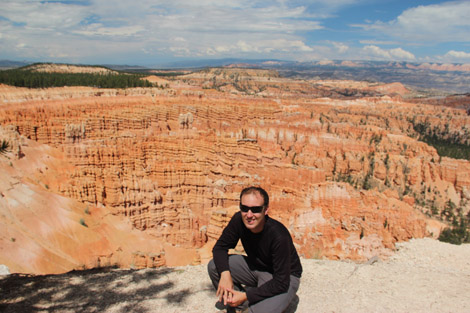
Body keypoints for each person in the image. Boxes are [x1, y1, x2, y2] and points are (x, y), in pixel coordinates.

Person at [208, 186, 302, 313]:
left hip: (285, 277)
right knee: (215, 266)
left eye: (256, 209)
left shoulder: (278, 235)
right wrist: (225, 274)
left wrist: (246, 295)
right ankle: (240, 306)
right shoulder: (238, 220)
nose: (249, 215)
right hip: (257, 268)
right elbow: (220, 248)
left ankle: (249, 301)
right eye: (244, 208)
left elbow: (281, 282)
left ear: (266, 210)